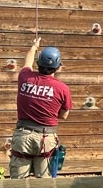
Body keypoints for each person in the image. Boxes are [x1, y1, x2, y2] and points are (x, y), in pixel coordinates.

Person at [9, 36, 71, 178]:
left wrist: (34, 46)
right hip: (46, 138)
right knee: (44, 183)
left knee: (17, 183)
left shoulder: (25, 77)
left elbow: (28, 61)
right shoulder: (62, 88)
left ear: (38, 63)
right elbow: (64, 115)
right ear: (58, 67)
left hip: (23, 136)